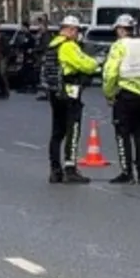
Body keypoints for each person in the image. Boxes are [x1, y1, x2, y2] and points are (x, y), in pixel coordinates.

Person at [41, 15, 98, 184]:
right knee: (73, 130)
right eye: (77, 30)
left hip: (54, 93)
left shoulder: (53, 45)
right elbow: (86, 64)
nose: (77, 34)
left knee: (57, 133)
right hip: (69, 93)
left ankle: (55, 170)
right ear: (71, 30)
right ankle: (70, 169)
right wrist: (94, 63)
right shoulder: (68, 46)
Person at [102, 13, 140, 184]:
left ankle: (127, 172)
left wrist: (109, 94)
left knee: (122, 135)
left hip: (124, 95)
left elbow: (110, 73)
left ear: (120, 29)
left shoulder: (119, 46)